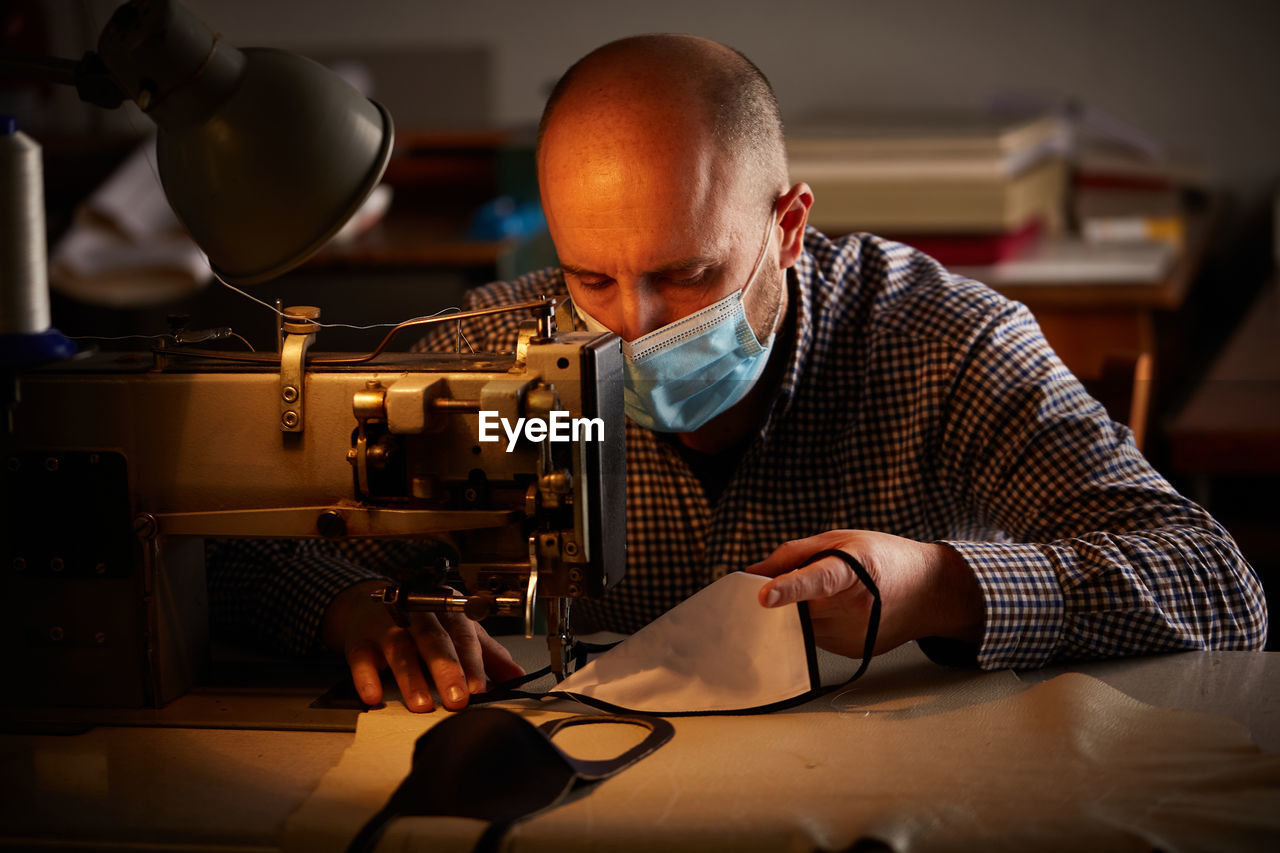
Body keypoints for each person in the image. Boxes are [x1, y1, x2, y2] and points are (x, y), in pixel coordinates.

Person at [210, 34, 1267, 713]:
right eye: (594, 275)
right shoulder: (496, 351)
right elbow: (247, 558)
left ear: (789, 226)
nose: (635, 327)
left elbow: (1217, 587)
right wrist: (354, 606)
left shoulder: (941, 342)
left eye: (687, 275)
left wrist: (938, 587)